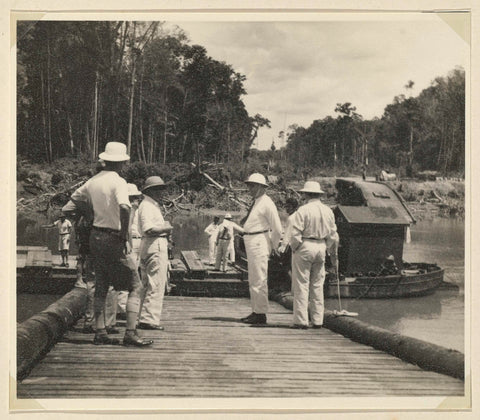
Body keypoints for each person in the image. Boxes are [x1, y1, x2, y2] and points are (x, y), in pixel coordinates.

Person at [70, 141, 153, 347]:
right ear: (122, 162)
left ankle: (100, 331)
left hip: (96, 236)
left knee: (101, 284)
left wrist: (90, 215)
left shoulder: (92, 181)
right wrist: (124, 234)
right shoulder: (118, 181)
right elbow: (125, 207)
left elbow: (74, 199)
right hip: (113, 236)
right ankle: (131, 333)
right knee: (135, 285)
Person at [288, 181, 339, 329]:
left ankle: (301, 320)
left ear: (306, 194)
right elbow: (333, 234)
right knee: (317, 284)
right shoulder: (328, 211)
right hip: (321, 246)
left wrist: (295, 248)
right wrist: (327, 248)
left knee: (301, 284)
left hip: (305, 245)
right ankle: (318, 320)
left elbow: (295, 233)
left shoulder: (303, 210)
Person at [241, 173, 282, 325]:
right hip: (252, 240)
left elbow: (277, 228)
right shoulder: (258, 201)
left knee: (259, 279)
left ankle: (261, 313)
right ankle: (256, 311)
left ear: (260, 187)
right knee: (253, 279)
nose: (249, 188)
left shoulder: (267, 203)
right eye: (249, 185)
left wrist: (274, 246)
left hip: (259, 241)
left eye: (252, 185)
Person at [137, 176, 173, 331]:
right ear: (150, 191)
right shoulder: (147, 206)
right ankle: (149, 319)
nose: (161, 192)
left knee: (147, 283)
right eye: (158, 189)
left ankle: (142, 316)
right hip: (154, 243)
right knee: (156, 283)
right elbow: (149, 229)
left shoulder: (150, 205)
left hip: (149, 244)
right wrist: (167, 228)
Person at [117, 183, 143, 315]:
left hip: (138, 241)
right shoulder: (127, 210)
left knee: (134, 274)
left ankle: (127, 306)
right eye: (133, 197)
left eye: (137, 197)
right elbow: (127, 228)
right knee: (129, 274)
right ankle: (122, 308)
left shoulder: (137, 210)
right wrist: (128, 243)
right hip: (130, 242)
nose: (136, 200)